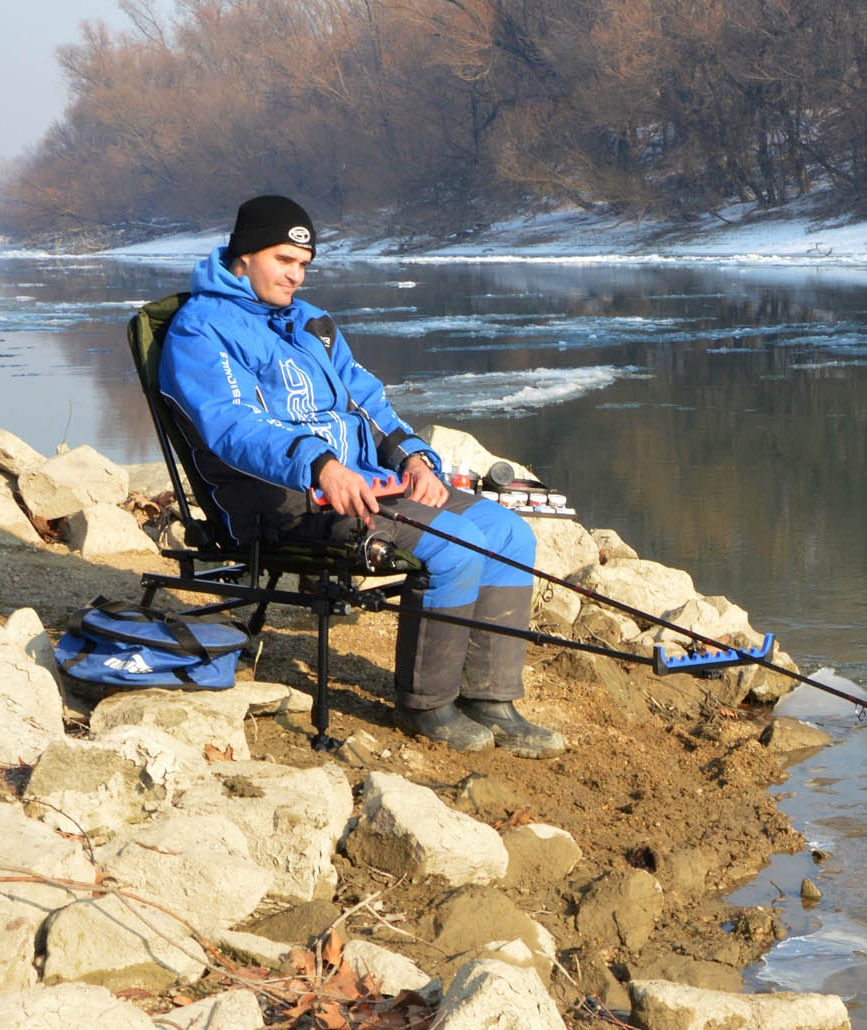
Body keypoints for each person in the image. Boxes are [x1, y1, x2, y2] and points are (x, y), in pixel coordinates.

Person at [158, 194, 564, 757]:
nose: (295, 276)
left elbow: (367, 401)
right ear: (244, 255)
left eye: (303, 265)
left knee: (510, 534)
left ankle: (491, 697)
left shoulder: (310, 323)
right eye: (283, 260)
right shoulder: (200, 330)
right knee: (457, 545)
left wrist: (415, 459)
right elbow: (232, 426)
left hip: (367, 486)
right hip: (285, 503)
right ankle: (427, 703)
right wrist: (320, 465)